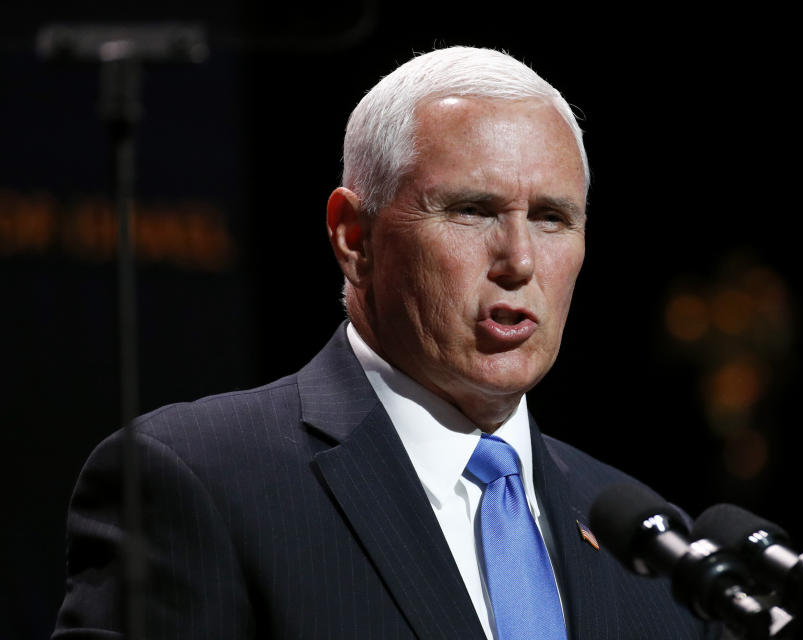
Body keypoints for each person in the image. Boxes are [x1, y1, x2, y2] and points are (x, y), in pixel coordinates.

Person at [53, 46, 720, 639]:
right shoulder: (198, 480)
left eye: (551, 218)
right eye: (472, 210)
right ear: (354, 237)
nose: (518, 260)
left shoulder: (651, 546)